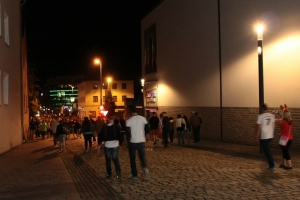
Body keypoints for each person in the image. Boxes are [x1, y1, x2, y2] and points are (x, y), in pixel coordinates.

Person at [126, 105, 150, 180]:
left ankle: (134, 174)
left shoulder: (129, 121)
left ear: (131, 112)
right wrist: (146, 134)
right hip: (141, 141)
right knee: (142, 158)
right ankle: (145, 169)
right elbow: (148, 128)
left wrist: (128, 139)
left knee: (132, 159)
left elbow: (127, 132)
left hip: (133, 141)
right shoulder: (143, 119)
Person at [98, 114, 123, 180]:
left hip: (107, 145)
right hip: (115, 145)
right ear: (113, 119)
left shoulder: (105, 127)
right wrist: (121, 143)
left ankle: (109, 174)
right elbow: (120, 135)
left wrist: (99, 146)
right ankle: (118, 174)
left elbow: (100, 137)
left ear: (108, 119)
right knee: (116, 160)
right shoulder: (117, 126)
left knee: (108, 161)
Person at [256, 103, 276, 170]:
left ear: (262, 109)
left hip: (264, 136)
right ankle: (272, 161)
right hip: (270, 135)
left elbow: (259, 127)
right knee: (267, 150)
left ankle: (272, 164)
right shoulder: (271, 115)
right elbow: (274, 125)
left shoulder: (260, 116)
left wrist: (257, 136)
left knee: (267, 151)